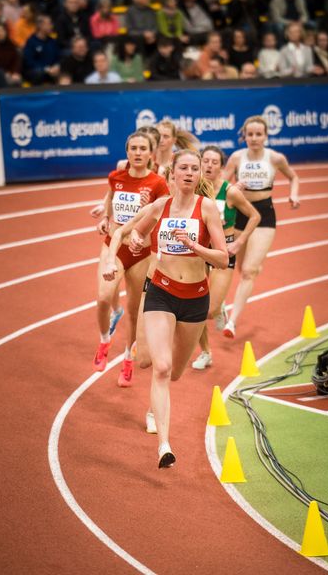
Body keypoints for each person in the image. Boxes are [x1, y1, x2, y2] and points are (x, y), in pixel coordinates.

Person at [107, 150, 228, 467]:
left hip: (196, 298)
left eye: (194, 169)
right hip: (161, 291)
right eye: (183, 168)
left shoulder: (208, 209)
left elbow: (223, 259)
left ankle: (151, 393)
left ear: (200, 175)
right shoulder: (160, 206)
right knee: (160, 368)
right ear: (172, 174)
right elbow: (137, 231)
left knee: (174, 372)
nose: (189, 173)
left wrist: (195, 247)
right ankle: (164, 445)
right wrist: (135, 239)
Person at [94, 132, 169, 387]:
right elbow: (110, 198)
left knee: (135, 312)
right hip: (113, 245)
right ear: (127, 152)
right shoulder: (116, 177)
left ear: (150, 153)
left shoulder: (158, 183)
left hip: (140, 253)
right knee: (104, 298)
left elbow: (162, 216)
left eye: (142, 149)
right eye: (133, 148)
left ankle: (127, 359)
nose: (137, 153)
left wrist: (145, 223)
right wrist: (105, 217)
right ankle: (104, 340)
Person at [222, 115, 300, 338]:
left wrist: (293, 195)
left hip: (264, 214)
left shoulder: (275, 158)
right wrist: (233, 186)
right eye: (250, 134)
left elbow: (294, 177)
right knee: (241, 266)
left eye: (259, 134)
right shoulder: (237, 158)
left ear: (266, 136)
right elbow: (222, 185)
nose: (254, 138)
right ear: (244, 136)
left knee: (248, 271)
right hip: (239, 213)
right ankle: (253, 267)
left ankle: (232, 323)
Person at [191, 145, 260, 370]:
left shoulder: (229, 191)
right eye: (206, 161)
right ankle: (206, 352)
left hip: (224, 252)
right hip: (200, 250)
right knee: (197, 307)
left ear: (222, 167)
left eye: (214, 162)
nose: (209, 166)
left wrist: (239, 242)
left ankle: (219, 307)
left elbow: (254, 216)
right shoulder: (194, 188)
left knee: (210, 310)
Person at [22, 14, 60, 85]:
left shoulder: (52, 41)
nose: (51, 26)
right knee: (39, 74)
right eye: (49, 24)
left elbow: (57, 57)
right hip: (36, 71)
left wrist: (57, 66)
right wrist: (45, 69)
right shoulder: (31, 42)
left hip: (52, 71)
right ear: (41, 26)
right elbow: (29, 62)